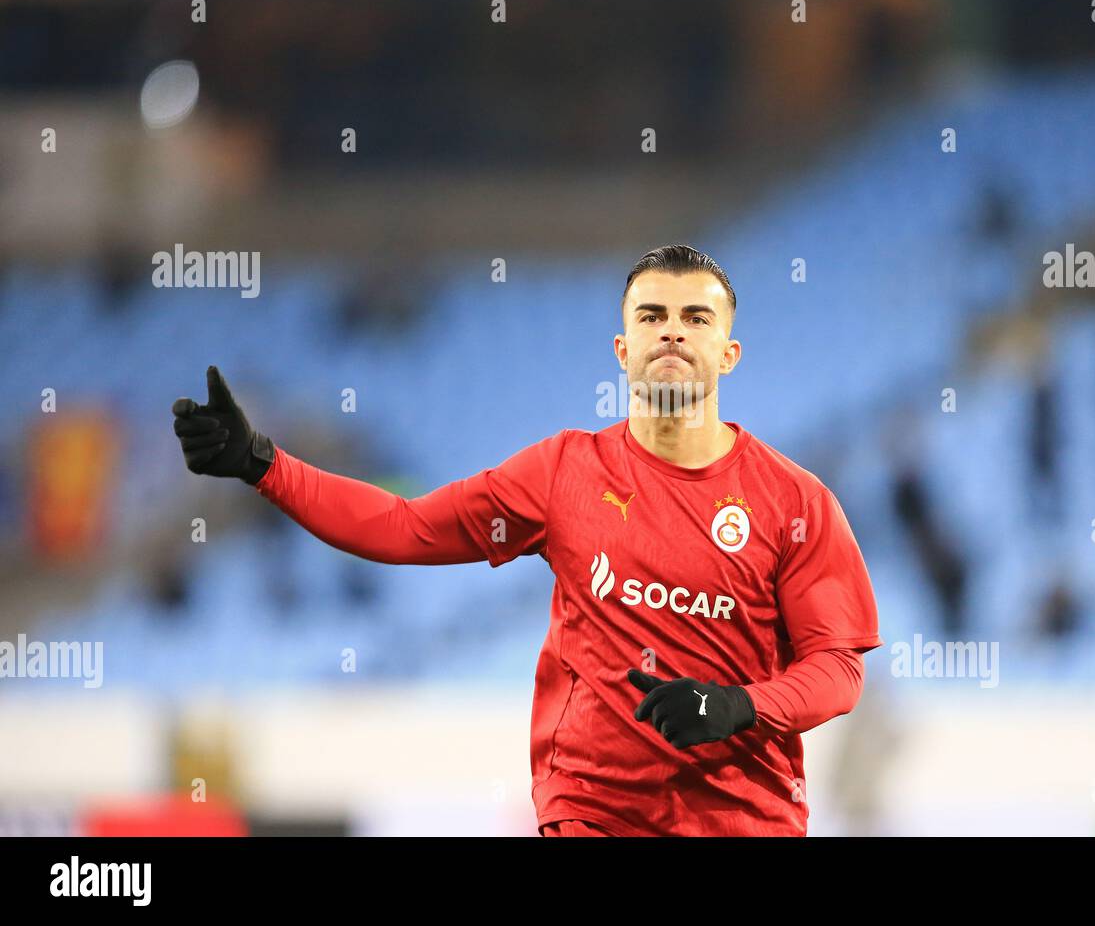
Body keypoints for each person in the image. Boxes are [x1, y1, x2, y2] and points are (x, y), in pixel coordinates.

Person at [170, 245, 882, 836]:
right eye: (652, 315)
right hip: (593, 812)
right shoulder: (563, 473)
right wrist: (263, 465)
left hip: (744, 821)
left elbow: (839, 669)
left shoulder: (795, 502)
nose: (672, 332)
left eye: (695, 318)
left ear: (727, 352)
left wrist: (739, 707)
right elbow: (404, 528)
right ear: (622, 347)